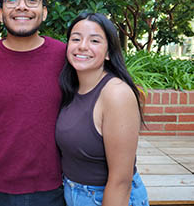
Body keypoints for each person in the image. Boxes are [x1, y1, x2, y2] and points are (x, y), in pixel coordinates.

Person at [0, 0, 66, 206]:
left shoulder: (65, 57)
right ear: (1, 13)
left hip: (52, 187)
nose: (21, 7)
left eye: (31, 0)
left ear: (44, 13)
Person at [56, 12, 149, 206]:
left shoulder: (117, 94)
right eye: (76, 39)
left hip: (105, 197)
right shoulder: (71, 88)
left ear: (108, 53)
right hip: (72, 193)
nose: (82, 46)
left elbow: (121, 182)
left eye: (95, 41)